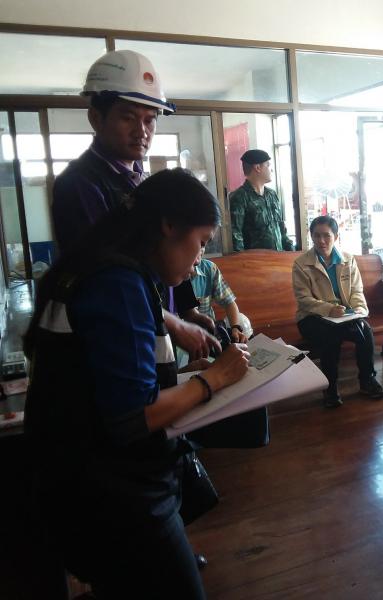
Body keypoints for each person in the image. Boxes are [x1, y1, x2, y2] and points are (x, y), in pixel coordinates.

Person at [24, 169, 251, 599]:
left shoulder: (96, 267)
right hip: (115, 498)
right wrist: (213, 379)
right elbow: (131, 418)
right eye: (202, 241)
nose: (200, 259)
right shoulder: (118, 283)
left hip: (81, 486)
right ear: (168, 225)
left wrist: (184, 371)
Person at [50, 49, 218, 361]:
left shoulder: (143, 179)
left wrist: (187, 310)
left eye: (150, 120)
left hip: (152, 323)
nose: (141, 131)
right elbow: (103, 275)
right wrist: (175, 324)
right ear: (96, 118)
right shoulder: (79, 185)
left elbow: (167, 247)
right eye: (128, 117)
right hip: (119, 330)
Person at [292, 216, 383, 408]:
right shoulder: (301, 264)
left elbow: (356, 291)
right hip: (311, 318)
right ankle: (330, 387)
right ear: (311, 236)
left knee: (365, 330)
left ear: (336, 236)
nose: (321, 241)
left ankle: (367, 380)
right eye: (316, 235)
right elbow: (304, 300)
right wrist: (329, 309)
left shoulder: (348, 260)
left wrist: (359, 309)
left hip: (344, 316)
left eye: (326, 235)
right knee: (330, 335)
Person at [230, 149, 295, 252]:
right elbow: (235, 235)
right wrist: (241, 259)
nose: (271, 170)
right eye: (268, 165)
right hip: (256, 260)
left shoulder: (272, 194)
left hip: (279, 257)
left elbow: (281, 228)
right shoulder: (239, 197)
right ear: (257, 168)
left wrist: (291, 250)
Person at [190, 247, 251, 344]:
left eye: (203, 245)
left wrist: (235, 328)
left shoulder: (210, 269)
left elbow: (229, 303)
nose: (200, 250)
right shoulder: (172, 276)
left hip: (209, 337)